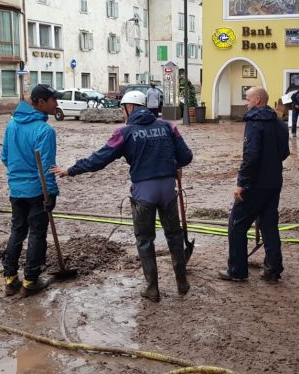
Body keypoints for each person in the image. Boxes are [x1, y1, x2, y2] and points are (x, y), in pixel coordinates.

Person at [51, 91, 193, 303]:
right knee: (174, 235)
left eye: (122, 108)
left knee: (145, 239)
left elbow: (100, 159)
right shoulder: (168, 126)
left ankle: (152, 289)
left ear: (131, 107)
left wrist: (71, 170)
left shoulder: (124, 132)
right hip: (167, 190)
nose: (121, 112)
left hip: (144, 191)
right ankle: (181, 282)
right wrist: (173, 164)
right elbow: (186, 156)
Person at [219, 87, 289, 282]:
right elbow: (285, 153)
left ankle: (237, 271)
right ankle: (273, 269)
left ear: (258, 100)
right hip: (274, 182)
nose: (245, 103)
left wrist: (241, 183)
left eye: (248, 99)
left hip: (255, 184)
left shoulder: (254, 122)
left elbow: (251, 155)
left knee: (237, 224)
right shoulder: (280, 123)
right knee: (269, 225)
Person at [0, 84, 60, 297]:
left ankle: (10, 278)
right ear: (41, 102)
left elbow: (5, 157)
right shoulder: (45, 131)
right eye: (54, 100)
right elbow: (47, 166)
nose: (56, 104)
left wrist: (19, 177)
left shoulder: (12, 125)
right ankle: (31, 280)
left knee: (17, 230)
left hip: (16, 190)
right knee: (36, 233)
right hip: (37, 191)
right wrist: (51, 193)